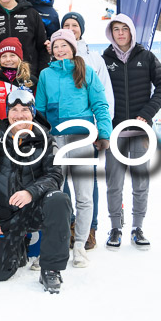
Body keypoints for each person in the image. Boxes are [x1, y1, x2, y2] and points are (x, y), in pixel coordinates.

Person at [0, 89, 71, 292]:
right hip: (4, 215)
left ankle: (51, 269)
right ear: (7, 113)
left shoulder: (46, 139)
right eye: (14, 109)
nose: (19, 115)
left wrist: (30, 192)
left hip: (34, 209)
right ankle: (18, 247)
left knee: (58, 199)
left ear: (33, 113)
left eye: (25, 110)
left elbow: (55, 176)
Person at [35, 28, 112, 268]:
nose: (60, 50)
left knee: (84, 195)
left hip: (81, 137)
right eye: (56, 46)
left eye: (64, 45)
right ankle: (54, 245)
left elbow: (100, 104)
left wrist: (104, 133)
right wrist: (44, 137)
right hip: (57, 139)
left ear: (72, 47)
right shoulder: (46, 75)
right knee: (55, 194)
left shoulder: (86, 72)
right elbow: (39, 109)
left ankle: (80, 244)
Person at [101, 14, 161, 250]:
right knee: (114, 183)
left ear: (131, 32)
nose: (120, 33)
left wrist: (148, 112)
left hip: (140, 132)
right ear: (111, 34)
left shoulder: (146, 57)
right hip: (115, 133)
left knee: (141, 182)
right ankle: (115, 228)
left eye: (124, 29)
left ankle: (137, 227)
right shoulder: (105, 59)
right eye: (116, 30)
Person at [59, 11, 114, 250]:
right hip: (62, 130)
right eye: (66, 25)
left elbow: (104, 96)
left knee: (86, 180)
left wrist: (102, 129)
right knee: (62, 180)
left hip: (86, 129)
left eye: (75, 25)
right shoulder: (56, 56)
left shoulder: (94, 59)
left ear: (81, 29)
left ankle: (90, 227)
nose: (71, 29)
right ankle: (70, 223)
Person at [0, 38, 38, 135]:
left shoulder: (31, 81)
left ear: (20, 58)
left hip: (26, 136)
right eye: (4, 56)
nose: (8, 60)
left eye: (12, 55)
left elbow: (38, 111)